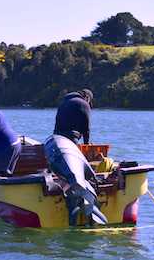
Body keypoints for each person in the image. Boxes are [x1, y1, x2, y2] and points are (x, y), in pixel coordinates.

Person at [44, 89, 107, 226]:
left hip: (58, 139)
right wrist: (86, 144)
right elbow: (86, 127)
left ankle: (73, 195)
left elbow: (57, 125)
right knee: (77, 174)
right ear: (87, 98)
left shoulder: (64, 103)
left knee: (65, 171)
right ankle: (85, 199)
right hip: (71, 139)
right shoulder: (83, 104)